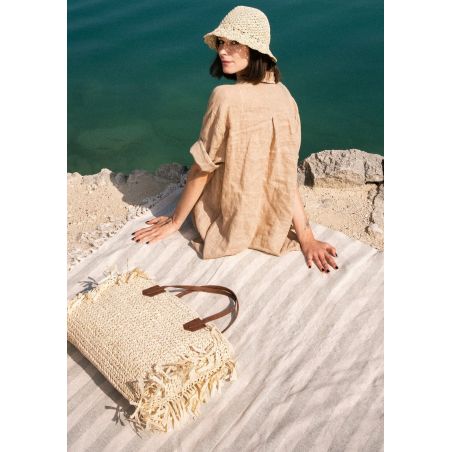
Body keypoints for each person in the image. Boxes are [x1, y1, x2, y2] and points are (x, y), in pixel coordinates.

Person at [132, 5, 339, 273]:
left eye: (234, 43)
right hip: (268, 222)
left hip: (230, 219)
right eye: (221, 42)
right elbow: (285, 174)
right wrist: (306, 236)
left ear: (254, 50)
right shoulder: (285, 96)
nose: (222, 50)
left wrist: (175, 221)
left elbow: (203, 168)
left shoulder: (224, 97)